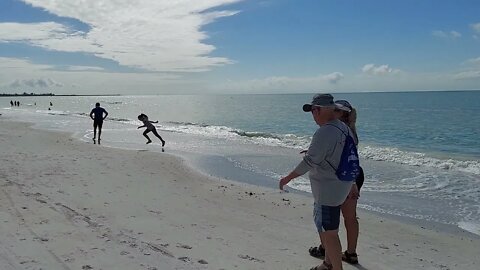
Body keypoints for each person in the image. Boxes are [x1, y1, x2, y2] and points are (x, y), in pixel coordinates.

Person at [279, 94, 356, 270]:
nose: (313, 115)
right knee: (328, 229)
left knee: (329, 233)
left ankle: (335, 267)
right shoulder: (344, 128)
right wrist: (352, 182)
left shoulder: (326, 131)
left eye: (314, 110)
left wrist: (287, 178)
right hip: (339, 186)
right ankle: (328, 263)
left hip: (328, 190)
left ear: (321, 110)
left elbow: (309, 162)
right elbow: (349, 157)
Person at [308, 99, 364, 265]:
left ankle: (327, 253)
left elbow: (341, 160)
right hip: (353, 175)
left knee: (326, 217)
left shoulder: (336, 130)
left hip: (341, 178)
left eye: (334, 110)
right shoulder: (349, 131)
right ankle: (351, 253)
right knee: (350, 217)